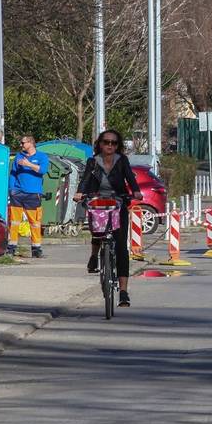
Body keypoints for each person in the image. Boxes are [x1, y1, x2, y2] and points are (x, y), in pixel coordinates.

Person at [73, 130, 143, 308]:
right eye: (106, 142)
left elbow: (130, 178)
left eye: (113, 143)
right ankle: (94, 255)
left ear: (118, 145)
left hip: (118, 202)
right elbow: (86, 179)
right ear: (100, 144)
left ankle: (124, 292)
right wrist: (80, 192)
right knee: (97, 231)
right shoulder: (93, 161)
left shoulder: (122, 161)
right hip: (97, 201)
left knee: (120, 247)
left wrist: (136, 191)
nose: (109, 146)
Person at [8, 135, 50, 258]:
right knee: (14, 221)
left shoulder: (42, 156)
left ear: (31, 143)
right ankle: (11, 247)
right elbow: (13, 174)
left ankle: (36, 248)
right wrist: (12, 189)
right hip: (18, 193)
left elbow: (43, 170)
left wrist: (28, 164)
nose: (21, 145)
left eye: (23, 143)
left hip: (33, 193)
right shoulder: (18, 157)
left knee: (35, 222)